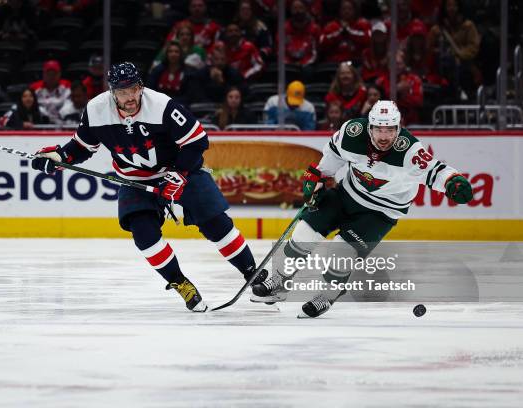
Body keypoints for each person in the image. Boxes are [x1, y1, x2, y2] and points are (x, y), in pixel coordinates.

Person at [30, 62, 267, 312]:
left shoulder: (162, 106)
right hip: (135, 179)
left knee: (215, 223)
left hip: (178, 169)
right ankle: (180, 283)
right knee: (144, 235)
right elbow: (80, 147)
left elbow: (197, 141)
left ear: (140, 87)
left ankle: (253, 275)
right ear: (112, 92)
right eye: (122, 92)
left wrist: (179, 174)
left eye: (133, 89)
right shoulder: (96, 110)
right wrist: (59, 158)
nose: (129, 97)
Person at [251, 100, 473, 317]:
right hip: (347, 194)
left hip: (381, 212)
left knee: (340, 250)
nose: (384, 137)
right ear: (369, 127)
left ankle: (329, 294)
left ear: (399, 128)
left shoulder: (410, 152)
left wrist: (453, 181)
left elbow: (436, 171)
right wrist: (317, 178)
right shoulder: (352, 132)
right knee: (304, 232)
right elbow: (332, 156)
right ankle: (279, 283)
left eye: (390, 130)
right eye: (378, 129)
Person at [427, 0, 480, 100]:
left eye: (454, 5)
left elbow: (473, 48)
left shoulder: (468, 26)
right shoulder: (437, 29)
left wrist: (457, 55)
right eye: (449, 5)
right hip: (442, 69)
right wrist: (439, 51)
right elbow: (428, 49)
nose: (451, 8)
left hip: (465, 68)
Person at [375, 51, 423, 125]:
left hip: (410, 122)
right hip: (385, 121)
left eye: (399, 63)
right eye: (393, 63)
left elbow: (418, 102)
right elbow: (377, 102)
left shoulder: (414, 80)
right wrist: (396, 90)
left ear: (404, 64)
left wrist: (405, 95)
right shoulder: (380, 81)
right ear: (388, 65)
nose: (396, 66)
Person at [147, 40, 198, 106]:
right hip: (159, 104)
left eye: (176, 52)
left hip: (179, 105)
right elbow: (150, 90)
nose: (173, 54)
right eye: (170, 51)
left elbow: (189, 96)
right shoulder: (158, 70)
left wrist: (171, 103)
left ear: (181, 54)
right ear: (166, 54)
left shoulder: (188, 72)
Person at [279, 0, 322, 67]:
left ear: (306, 9)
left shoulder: (314, 29)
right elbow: (280, 51)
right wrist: (289, 63)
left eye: (300, 8)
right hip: (288, 64)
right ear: (290, 10)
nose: (298, 11)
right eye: (295, 8)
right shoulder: (284, 29)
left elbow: (316, 52)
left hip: (307, 64)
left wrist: (302, 63)